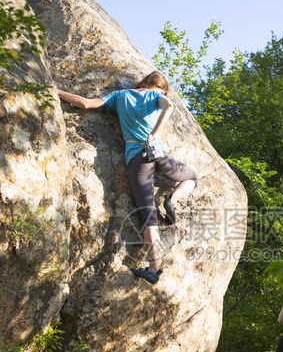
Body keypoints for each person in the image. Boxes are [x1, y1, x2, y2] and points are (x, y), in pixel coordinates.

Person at [57, 71, 198, 285]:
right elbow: (168, 106)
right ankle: (172, 200)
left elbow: (86, 104)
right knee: (191, 177)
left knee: (148, 215)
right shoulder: (155, 96)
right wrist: (155, 134)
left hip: (137, 158)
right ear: (159, 88)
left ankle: (154, 269)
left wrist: (55, 91)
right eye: (164, 90)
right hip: (158, 153)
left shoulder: (120, 95)